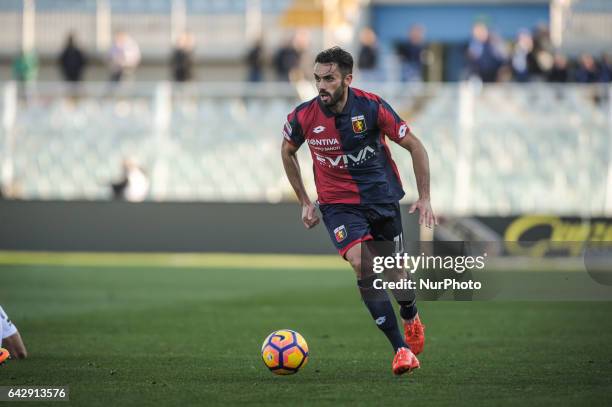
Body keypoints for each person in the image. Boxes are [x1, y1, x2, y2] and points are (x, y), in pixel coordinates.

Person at [280, 47, 436, 375]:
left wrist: (425, 197)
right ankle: (401, 350)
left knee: (397, 277)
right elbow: (288, 150)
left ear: (347, 79)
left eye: (329, 79)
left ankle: (410, 315)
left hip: (381, 200)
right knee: (362, 263)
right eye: (317, 79)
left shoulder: (372, 107)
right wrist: (305, 201)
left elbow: (415, 146)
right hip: (338, 206)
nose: (321, 86)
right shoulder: (303, 116)